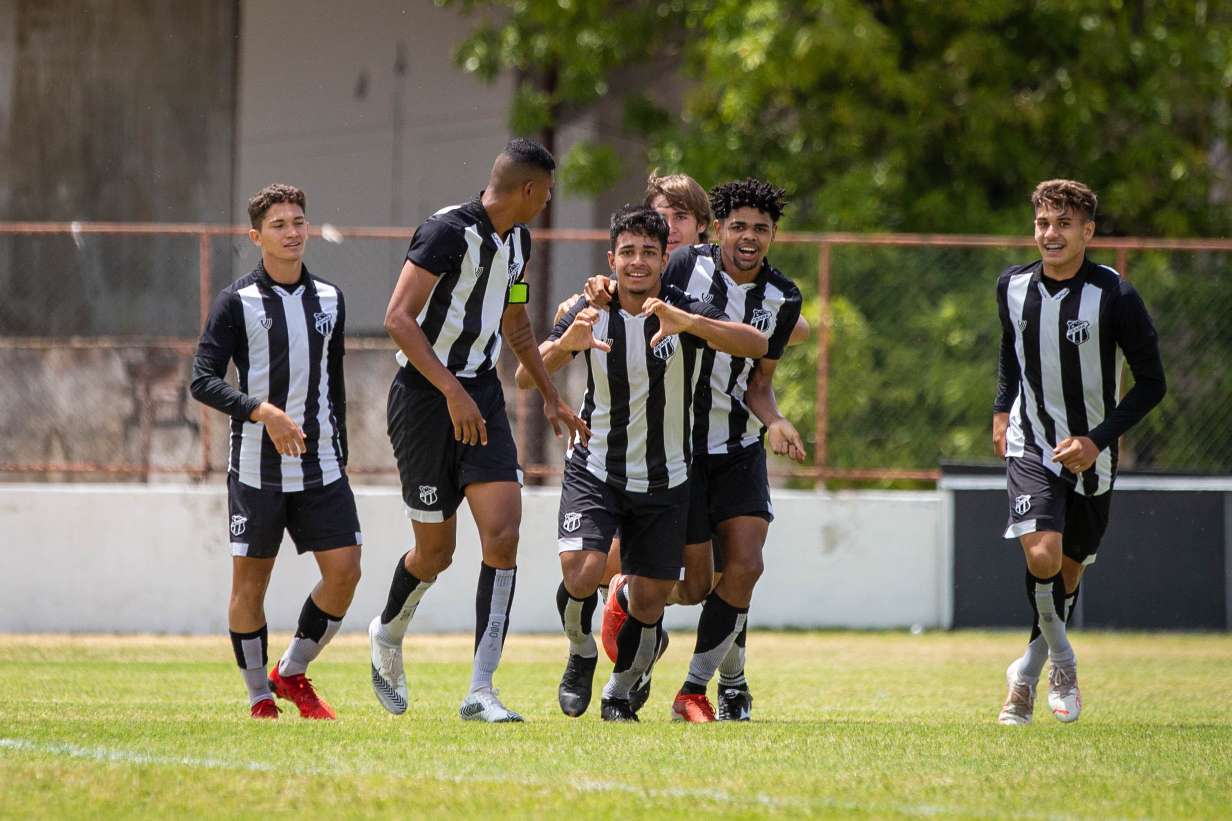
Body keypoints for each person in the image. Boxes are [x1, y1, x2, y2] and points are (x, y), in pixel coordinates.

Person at [367, 138, 589, 723]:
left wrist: (550, 398)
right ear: (529, 190)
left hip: (481, 398)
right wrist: (450, 390)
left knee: (504, 533)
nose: (547, 202)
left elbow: (517, 323)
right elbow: (398, 318)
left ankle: (480, 690)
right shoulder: (445, 232)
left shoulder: (518, 241)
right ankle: (387, 635)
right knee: (436, 553)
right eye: (546, 192)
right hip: (424, 399)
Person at [519, 205, 768, 721]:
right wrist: (565, 346)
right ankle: (581, 651)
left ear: (663, 260)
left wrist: (694, 323)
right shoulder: (586, 310)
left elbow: (758, 342)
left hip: (666, 479)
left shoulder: (684, 308)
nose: (637, 263)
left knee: (651, 601)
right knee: (582, 572)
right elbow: (525, 378)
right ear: (611, 258)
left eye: (648, 254)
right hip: (596, 466)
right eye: (627, 253)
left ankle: (618, 692)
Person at [993, 179, 1166, 725]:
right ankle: (1061, 662)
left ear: (1087, 231)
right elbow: (1010, 349)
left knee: (1066, 578)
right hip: (1031, 443)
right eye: (1043, 223)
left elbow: (1151, 383)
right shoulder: (1011, 286)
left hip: (1094, 457)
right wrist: (1002, 408)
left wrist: (1097, 440)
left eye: (1064, 224)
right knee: (1041, 555)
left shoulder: (1116, 295)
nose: (1051, 234)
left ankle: (1024, 673)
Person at [190, 183, 362, 720]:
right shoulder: (236, 302)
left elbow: (333, 384)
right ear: (256, 236)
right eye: (280, 225)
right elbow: (202, 380)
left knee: (346, 572)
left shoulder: (330, 299)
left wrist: (342, 449)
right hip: (255, 468)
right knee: (250, 586)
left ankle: (289, 673)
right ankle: (259, 698)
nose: (292, 232)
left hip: (321, 466)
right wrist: (261, 411)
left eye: (299, 222)